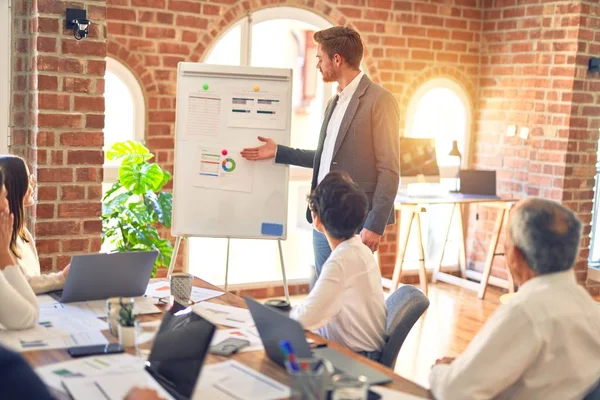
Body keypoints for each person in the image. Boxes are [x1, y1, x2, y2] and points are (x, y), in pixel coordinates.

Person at [241, 26, 400, 279]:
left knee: (348, 298)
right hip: (323, 219)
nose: (317, 65)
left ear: (337, 59)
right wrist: (278, 151)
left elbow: (390, 170)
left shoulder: (380, 100)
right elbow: (326, 156)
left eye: (319, 58)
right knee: (324, 294)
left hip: (355, 223)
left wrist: (375, 224)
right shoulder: (333, 102)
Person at [429, 198, 600, 400]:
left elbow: (454, 392)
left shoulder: (526, 312)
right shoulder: (592, 310)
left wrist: (439, 371)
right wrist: (466, 366)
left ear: (515, 256)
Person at [289, 171, 386, 359]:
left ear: (317, 220)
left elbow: (305, 319)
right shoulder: (358, 249)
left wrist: (280, 316)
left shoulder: (341, 261)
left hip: (356, 359)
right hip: (356, 349)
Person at [0, 155, 69, 294]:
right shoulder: (3, 237)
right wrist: (62, 277)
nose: (32, 184)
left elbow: (32, 280)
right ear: (17, 186)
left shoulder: (23, 234)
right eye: (28, 178)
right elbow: (18, 285)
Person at [0, 168, 39, 331]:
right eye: (2, 195)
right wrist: (3, 253)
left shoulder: (24, 234)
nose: (6, 203)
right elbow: (27, 316)